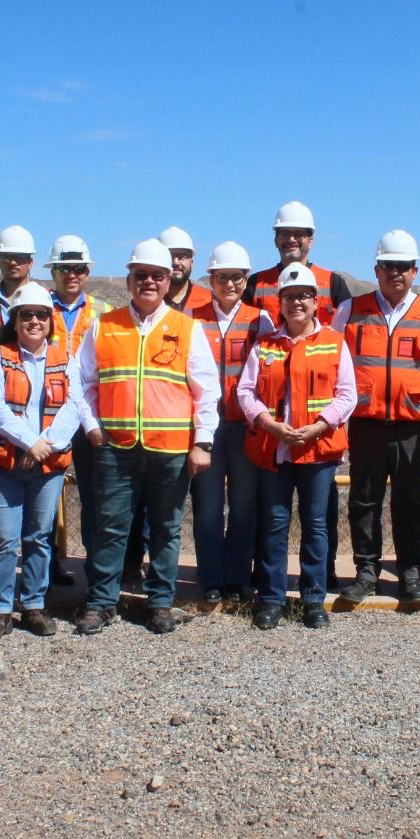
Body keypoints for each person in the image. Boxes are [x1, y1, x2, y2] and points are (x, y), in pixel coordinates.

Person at [74, 238, 219, 635]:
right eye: (142, 276)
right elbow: (81, 383)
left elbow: (207, 391)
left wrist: (202, 442)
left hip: (170, 450)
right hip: (116, 448)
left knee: (166, 529)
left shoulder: (187, 328)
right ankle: (102, 602)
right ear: (129, 279)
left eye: (158, 275)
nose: (150, 282)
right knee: (110, 526)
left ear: (169, 279)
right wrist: (92, 427)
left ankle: (159, 602)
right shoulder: (105, 325)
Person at [333, 229, 420, 605]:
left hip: (412, 425)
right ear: (377, 269)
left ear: (415, 271)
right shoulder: (351, 310)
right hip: (365, 423)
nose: (394, 273)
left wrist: (419, 397)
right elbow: (332, 360)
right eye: (387, 266)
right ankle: (366, 571)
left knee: (408, 499)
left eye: (402, 267)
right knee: (364, 499)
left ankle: (410, 572)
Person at [238, 263, 356, 629]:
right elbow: (246, 391)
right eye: (289, 297)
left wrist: (319, 427)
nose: (296, 303)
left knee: (315, 525)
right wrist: (270, 425)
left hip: (316, 450)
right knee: (274, 524)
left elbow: (347, 394)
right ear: (280, 302)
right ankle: (271, 599)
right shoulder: (265, 345)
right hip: (275, 449)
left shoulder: (334, 343)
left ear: (316, 301)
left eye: (304, 296)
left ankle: (313, 599)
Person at [0, 282, 81, 642]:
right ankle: (0, 609)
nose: (34, 321)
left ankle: (34, 605)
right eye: (26, 315)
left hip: (47, 466)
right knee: (5, 539)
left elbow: (74, 406)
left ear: (50, 321)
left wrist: (45, 447)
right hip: (4, 465)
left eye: (41, 315)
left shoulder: (65, 359)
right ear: (15, 320)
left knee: (38, 537)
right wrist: (29, 442)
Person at [189, 241, 268, 603]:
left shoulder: (259, 320)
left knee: (242, 504)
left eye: (237, 277)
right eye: (223, 277)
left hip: (245, 427)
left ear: (245, 279)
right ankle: (212, 580)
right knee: (206, 506)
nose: (230, 284)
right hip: (205, 427)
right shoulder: (193, 318)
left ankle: (237, 578)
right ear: (211, 278)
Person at [45, 233, 112, 586]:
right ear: (53, 271)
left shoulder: (103, 312)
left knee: (93, 497)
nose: (72, 274)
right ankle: (48, 567)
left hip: (87, 413)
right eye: (64, 268)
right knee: (44, 496)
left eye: (79, 268)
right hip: (47, 415)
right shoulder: (37, 308)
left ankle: (94, 570)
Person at [0, 225, 37, 330]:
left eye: (20, 257)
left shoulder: (43, 298)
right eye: (7, 257)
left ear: (30, 263)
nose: (13, 262)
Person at [160, 226, 214, 312]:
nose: (175, 262)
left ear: (191, 263)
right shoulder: (148, 303)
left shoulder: (210, 301)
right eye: (170, 256)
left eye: (182, 257)